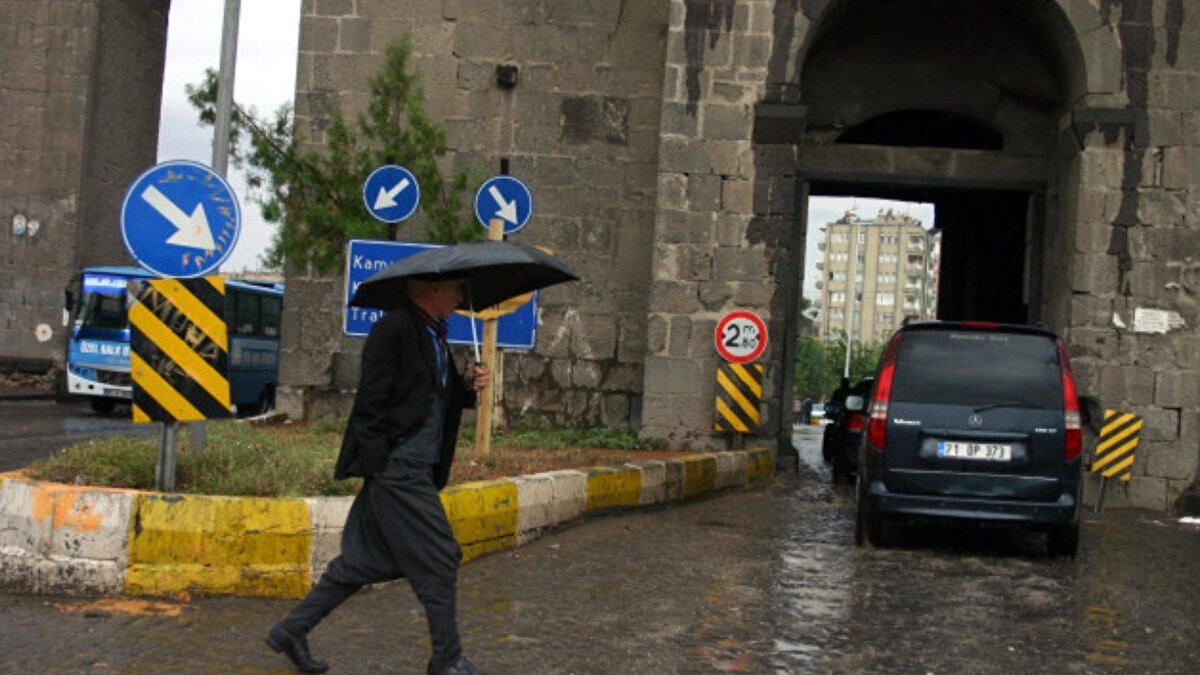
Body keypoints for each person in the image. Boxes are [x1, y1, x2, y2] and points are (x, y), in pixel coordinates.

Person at [266, 274, 491, 675]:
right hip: (398, 469)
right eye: (455, 288)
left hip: (416, 467)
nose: (460, 296)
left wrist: (467, 387)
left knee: (362, 563)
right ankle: (447, 659)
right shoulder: (394, 329)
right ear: (432, 289)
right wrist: (379, 468)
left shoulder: (435, 336)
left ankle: (291, 631)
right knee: (441, 558)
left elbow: (427, 399)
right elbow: (372, 401)